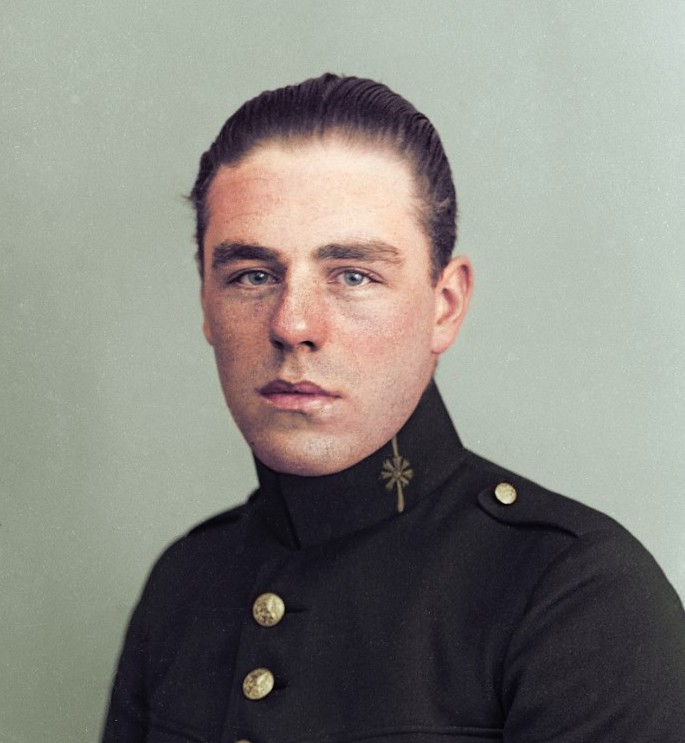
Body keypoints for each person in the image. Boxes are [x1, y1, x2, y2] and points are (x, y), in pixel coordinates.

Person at [102, 74, 685, 743]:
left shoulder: (575, 595)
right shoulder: (185, 581)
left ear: (445, 306)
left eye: (353, 275)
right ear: (206, 302)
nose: (292, 324)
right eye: (252, 275)